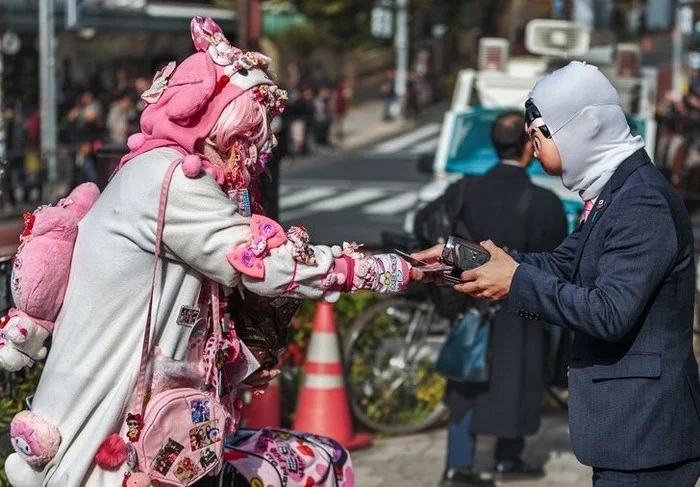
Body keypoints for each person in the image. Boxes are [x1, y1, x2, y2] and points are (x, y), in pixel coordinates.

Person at [4, 17, 415, 486]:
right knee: (317, 465)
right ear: (214, 124)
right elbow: (265, 264)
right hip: (106, 440)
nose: (256, 153)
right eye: (247, 137)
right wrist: (382, 270)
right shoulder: (171, 179)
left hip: (131, 432)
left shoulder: (148, 170)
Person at [413, 61, 700, 486]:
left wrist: (514, 280)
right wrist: (464, 261)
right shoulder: (614, 192)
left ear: (584, 127)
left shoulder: (641, 201)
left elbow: (609, 311)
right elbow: (563, 264)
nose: (537, 149)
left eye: (541, 136)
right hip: (629, 433)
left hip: (645, 432)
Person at [439, 111, 568, 487]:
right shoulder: (544, 202)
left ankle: (458, 465)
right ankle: (508, 458)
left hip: (472, 303)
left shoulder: (467, 189)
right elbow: (558, 260)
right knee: (518, 381)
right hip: (521, 305)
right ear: (528, 146)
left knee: (467, 382)